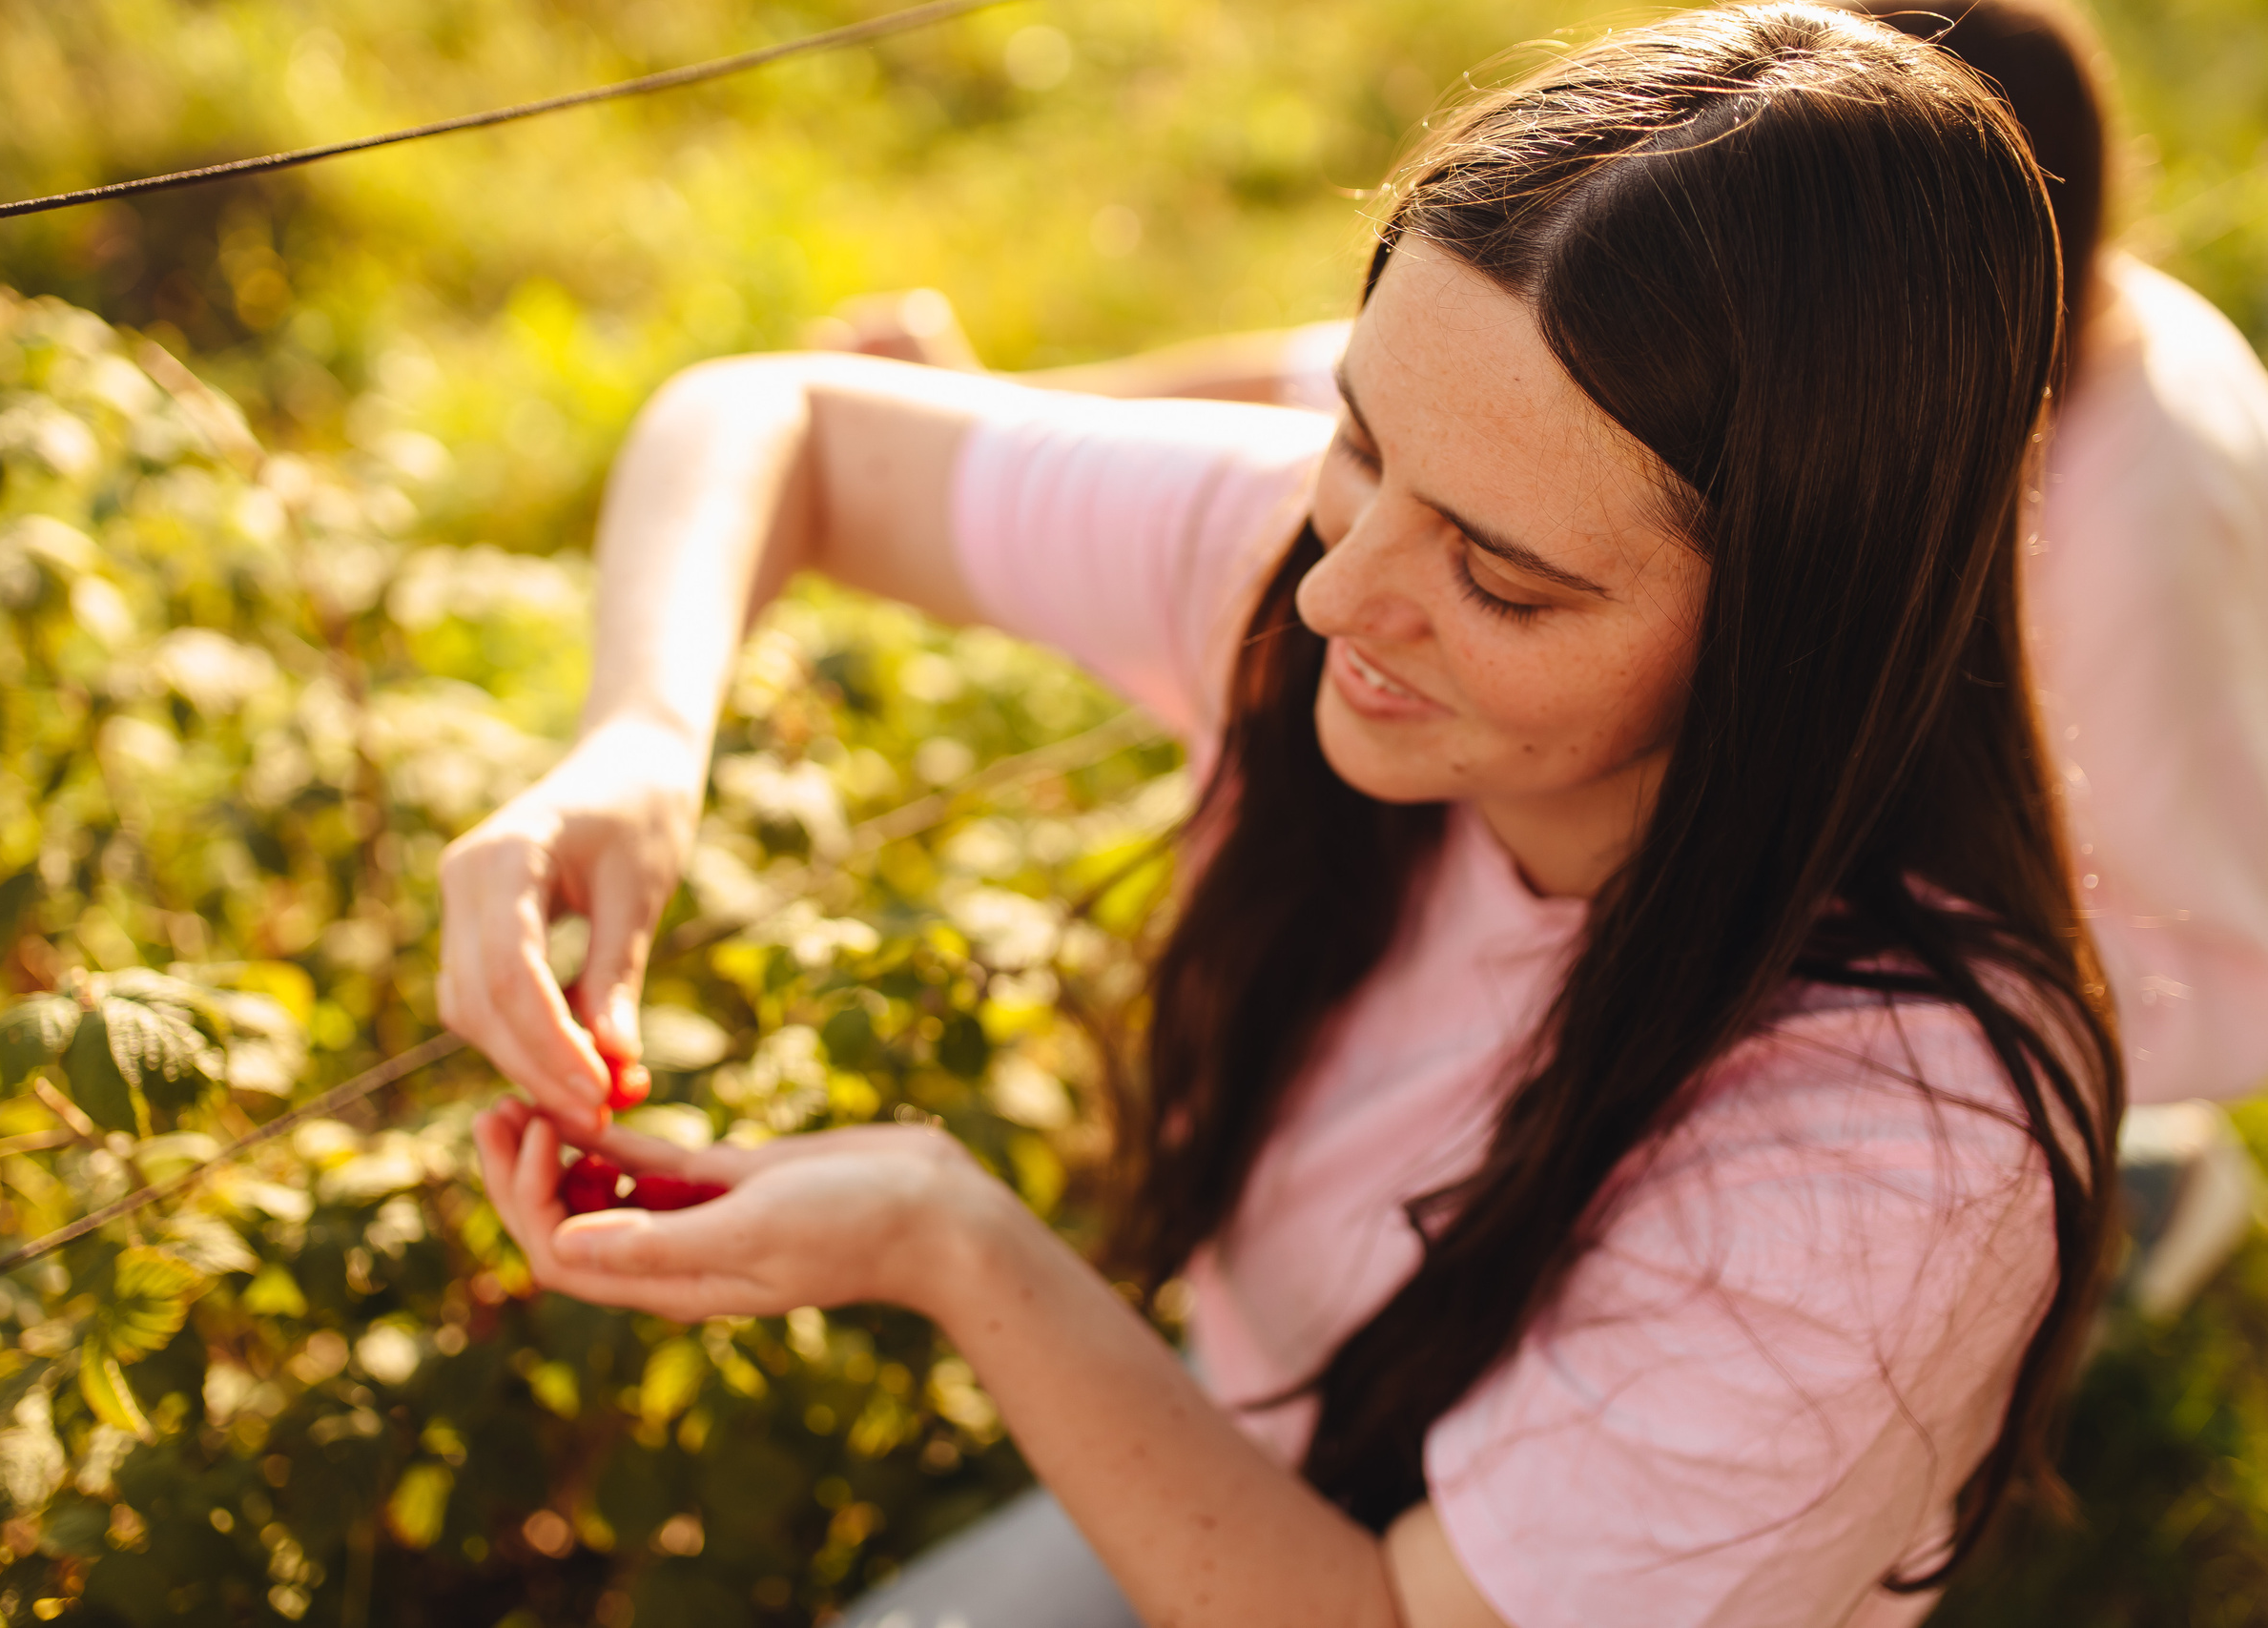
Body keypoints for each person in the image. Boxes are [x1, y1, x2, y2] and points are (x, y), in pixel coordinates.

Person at [442, 8, 2121, 1625]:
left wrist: (949, 1244)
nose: (1337, 597)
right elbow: (779, 424)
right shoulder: (1315, 565)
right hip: (1258, 1465)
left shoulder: (1894, 1157)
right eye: (1358, 440)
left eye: (1504, 580)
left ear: (1791, 636)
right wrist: (640, 749)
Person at [869, 0, 2268, 1114]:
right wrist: (1013, 401)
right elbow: (1404, 397)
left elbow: (2209, 903)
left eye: (1511, 582)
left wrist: (2027, 1075)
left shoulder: (2137, 529)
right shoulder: (1724, 374)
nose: (1323, 596)